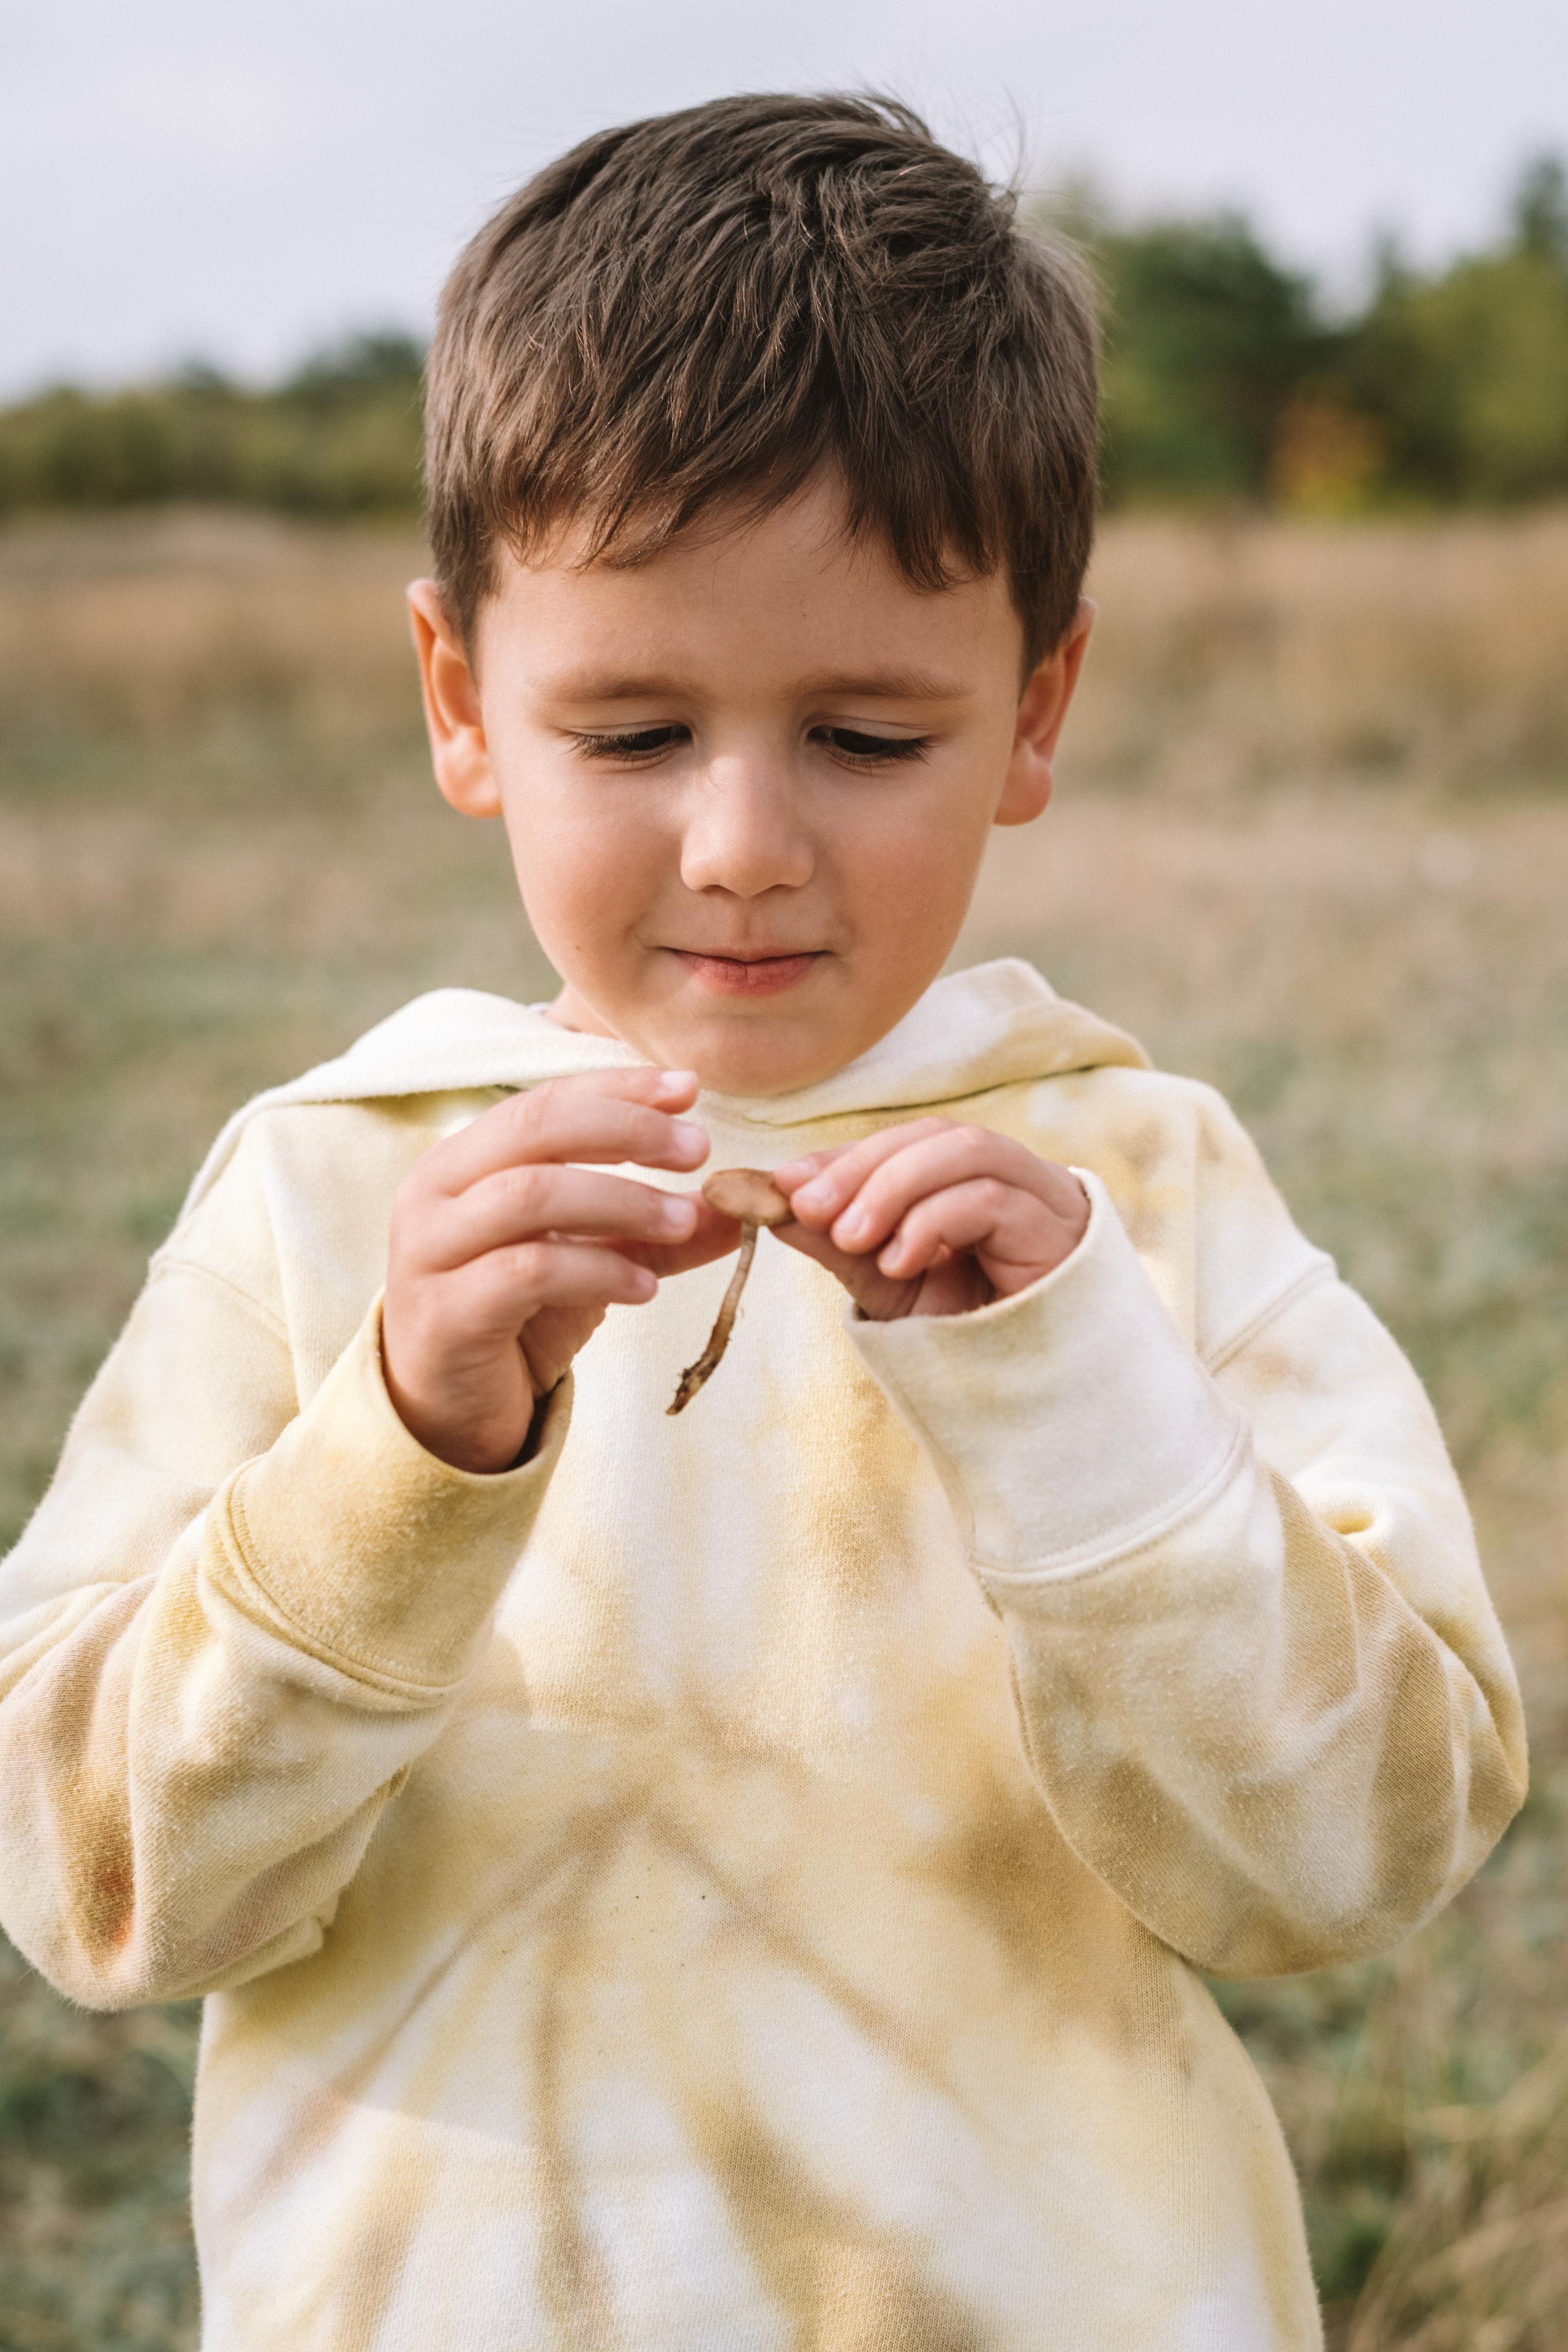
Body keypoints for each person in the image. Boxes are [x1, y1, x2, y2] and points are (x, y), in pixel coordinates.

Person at [0, 94, 1525, 2352]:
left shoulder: (1153, 1197)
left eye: (865, 736)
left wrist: (1088, 1403)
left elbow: (1353, 1863)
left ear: (1034, 709)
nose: (739, 841)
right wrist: (401, 1446)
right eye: (629, 731)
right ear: (461, 702)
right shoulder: (335, 1189)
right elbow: (98, 1886)